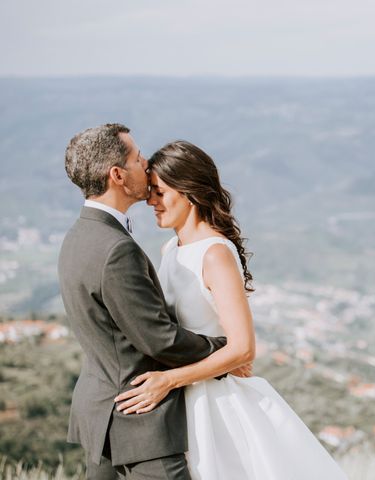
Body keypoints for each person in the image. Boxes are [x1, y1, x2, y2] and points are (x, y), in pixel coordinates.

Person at [113, 140, 348, 480]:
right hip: (180, 403)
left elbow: (243, 348)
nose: (150, 201)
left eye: (159, 192)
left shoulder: (215, 254)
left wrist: (168, 380)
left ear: (189, 192)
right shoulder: (171, 248)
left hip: (213, 402)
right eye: (150, 191)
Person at [58, 124, 237, 479]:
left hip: (101, 411)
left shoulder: (79, 236)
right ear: (118, 175)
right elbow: (159, 338)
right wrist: (224, 348)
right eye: (138, 159)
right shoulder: (116, 249)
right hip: (139, 420)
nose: (146, 164)